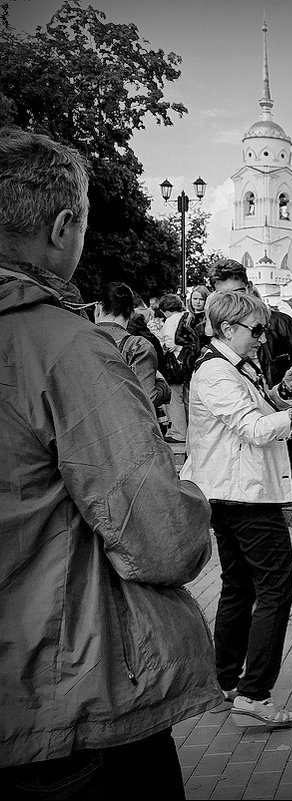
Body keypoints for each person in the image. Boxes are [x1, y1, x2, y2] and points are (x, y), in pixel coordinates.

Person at [0, 127, 215, 797]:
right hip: (64, 704)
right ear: (63, 226)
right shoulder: (66, 348)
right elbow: (161, 539)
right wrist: (195, 502)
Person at [183, 290, 292, 728]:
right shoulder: (215, 372)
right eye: (256, 330)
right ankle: (254, 693)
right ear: (228, 328)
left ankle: (225, 679)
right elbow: (252, 427)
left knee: (240, 586)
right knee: (276, 587)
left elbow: (256, 406)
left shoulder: (232, 367)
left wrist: (287, 388)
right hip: (243, 494)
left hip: (233, 490)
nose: (263, 339)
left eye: (264, 330)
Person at [210, 260, 292, 387]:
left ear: (249, 288)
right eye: (224, 295)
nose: (234, 300)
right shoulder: (209, 331)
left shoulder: (281, 322)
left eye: (238, 292)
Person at [95, 281, 171, 410]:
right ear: (131, 313)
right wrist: (163, 386)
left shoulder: (78, 341)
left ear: (97, 308)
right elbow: (147, 399)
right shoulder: (138, 346)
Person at [157, 292, 189, 441]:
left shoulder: (171, 320)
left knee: (175, 399)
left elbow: (170, 343)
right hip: (188, 363)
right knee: (186, 398)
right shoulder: (187, 316)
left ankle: (178, 432)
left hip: (175, 364)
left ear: (166, 309)